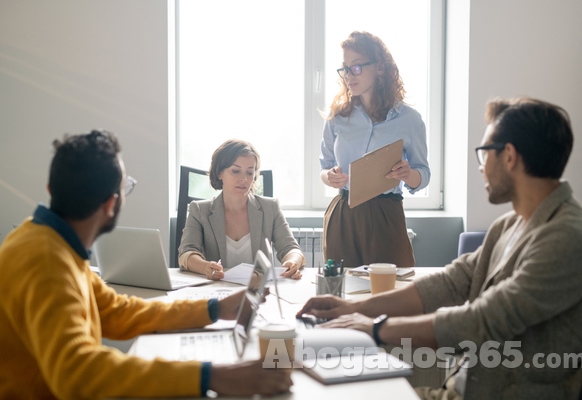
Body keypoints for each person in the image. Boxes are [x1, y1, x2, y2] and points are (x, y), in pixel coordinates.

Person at [299, 98, 582, 400]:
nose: (480, 167)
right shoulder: (509, 225)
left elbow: (481, 320)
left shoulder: (569, 239)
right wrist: (354, 309)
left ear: (509, 156)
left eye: (484, 153)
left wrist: (375, 328)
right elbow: (451, 282)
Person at [0, 130, 292, 399]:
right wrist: (209, 376)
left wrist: (216, 308)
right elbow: (78, 373)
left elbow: (118, 313)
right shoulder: (47, 262)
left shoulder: (44, 242)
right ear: (112, 204)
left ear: (51, 189)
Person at [319, 31, 430, 268]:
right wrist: (329, 176)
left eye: (356, 67)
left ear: (380, 68)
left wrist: (408, 174)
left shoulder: (410, 120)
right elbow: (324, 166)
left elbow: (423, 174)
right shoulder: (338, 117)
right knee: (342, 292)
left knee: (392, 293)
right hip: (343, 214)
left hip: (386, 213)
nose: (349, 75)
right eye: (345, 69)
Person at [178, 139, 304, 280]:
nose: (243, 179)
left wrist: (292, 262)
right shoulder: (199, 210)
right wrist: (205, 267)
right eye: (236, 171)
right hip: (217, 290)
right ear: (220, 173)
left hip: (259, 291)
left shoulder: (271, 208)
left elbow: (291, 248)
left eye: (249, 173)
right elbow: (186, 254)